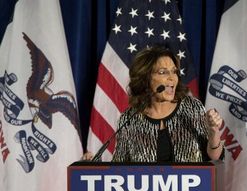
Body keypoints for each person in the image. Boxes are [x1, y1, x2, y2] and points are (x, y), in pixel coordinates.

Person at [85, 45, 224, 162]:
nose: (172, 78)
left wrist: (214, 131)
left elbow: (215, 156)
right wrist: (93, 167)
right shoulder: (129, 119)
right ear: (146, 78)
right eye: (163, 72)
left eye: (174, 72)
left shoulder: (192, 108)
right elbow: (120, 168)